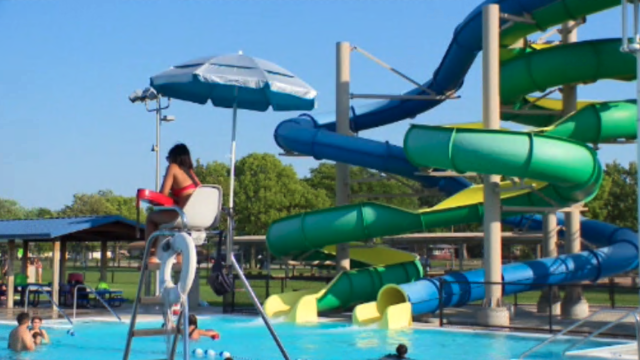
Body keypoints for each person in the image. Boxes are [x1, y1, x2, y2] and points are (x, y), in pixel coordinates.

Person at [145, 143, 201, 264]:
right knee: (173, 225)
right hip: (198, 218)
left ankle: (151, 254)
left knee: (151, 218)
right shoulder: (192, 174)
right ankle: (179, 257)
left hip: (182, 216)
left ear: (174, 157)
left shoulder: (173, 167)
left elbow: (163, 195)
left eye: (168, 158)